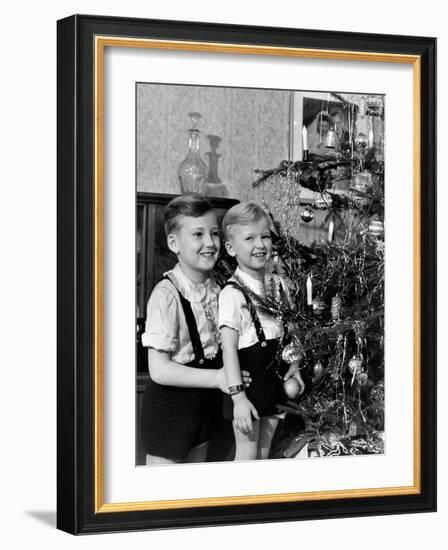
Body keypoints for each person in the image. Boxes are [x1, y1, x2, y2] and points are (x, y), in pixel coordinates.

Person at [140, 194, 250, 465]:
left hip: (204, 410)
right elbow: (159, 369)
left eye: (214, 233)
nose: (210, 243)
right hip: (170, 412)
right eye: (198, 234)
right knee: (165, 498)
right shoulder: (166, 294)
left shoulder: (220, 289)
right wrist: (217, 378)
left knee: (196, 489)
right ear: (173, 243)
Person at [218, 202, 305, 461]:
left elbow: (292, 330)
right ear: (231, 248)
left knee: (265, 454)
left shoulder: (279, 285)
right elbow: (229, 349)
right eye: (250, 238)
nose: (260, 244)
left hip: (275, 382)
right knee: (246, 455)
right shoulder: (232, 294)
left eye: (265, 236)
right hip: (249, 387)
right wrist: (238, 398)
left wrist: (296, 365)